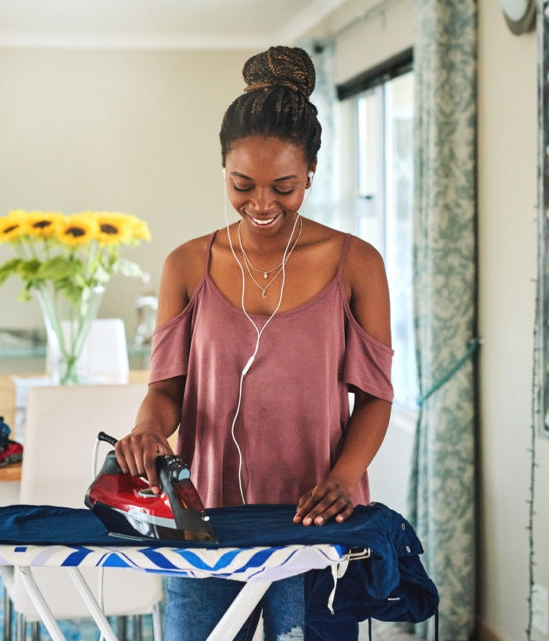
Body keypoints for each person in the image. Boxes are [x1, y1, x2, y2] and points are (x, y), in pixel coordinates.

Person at [114, 45, 394, 641]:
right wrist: (148, 428)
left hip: (317, 522)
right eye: (243, 185)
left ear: (311, 174)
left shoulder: (357, 264)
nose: (262, 204)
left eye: (284, 187)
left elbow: (374, 397)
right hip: (203, 521)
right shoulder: (186, 265)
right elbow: (167, 389)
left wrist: (344, 479)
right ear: (223, 170)